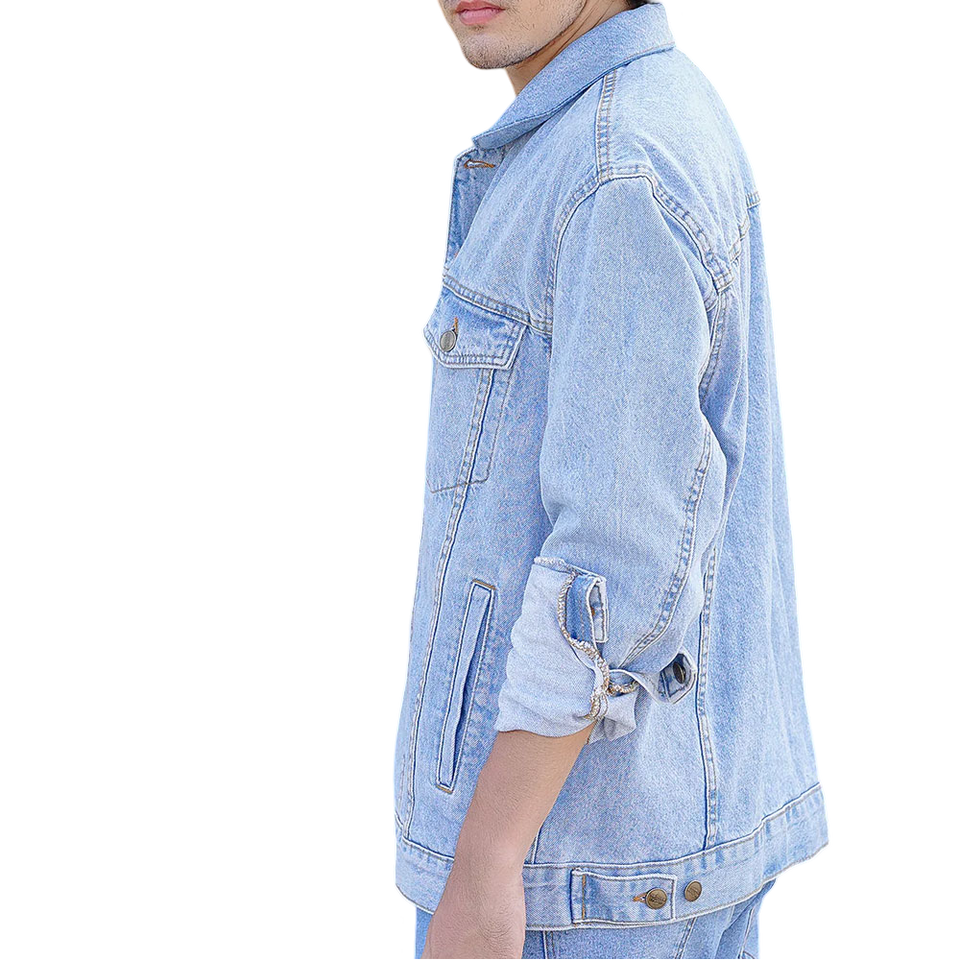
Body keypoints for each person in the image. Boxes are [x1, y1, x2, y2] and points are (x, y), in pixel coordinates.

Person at [390, 3, 833, 958]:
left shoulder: (615, 162)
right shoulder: (643, 115)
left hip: (571, 883)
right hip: (642, 854)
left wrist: (487, 860)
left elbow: (617, 558)